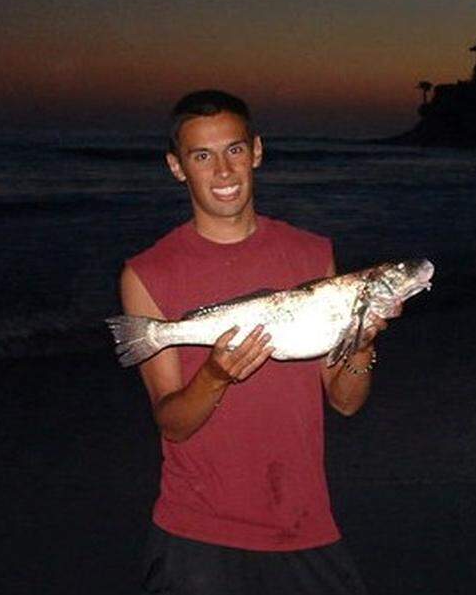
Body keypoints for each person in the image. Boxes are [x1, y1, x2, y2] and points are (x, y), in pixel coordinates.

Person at [118, 90, 391, 594]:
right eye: (202, 156)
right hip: (196, 531)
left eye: (234, 150)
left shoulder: (312, 254)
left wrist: (361, 343)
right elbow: (173, 424)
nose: (223, 171)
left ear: (257, 152)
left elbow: (346, 402)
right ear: (177, 167)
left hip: (302, 521)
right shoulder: (147, 273)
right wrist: (216, 377)